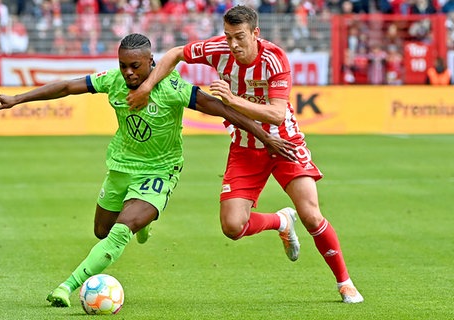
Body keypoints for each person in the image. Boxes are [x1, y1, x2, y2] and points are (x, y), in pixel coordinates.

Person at [0, 33, 297, 308]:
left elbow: (222, 109)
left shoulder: (173, 87)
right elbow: (68, 86)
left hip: (159, 172)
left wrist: (266, 136)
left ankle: (66, 286)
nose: (128, 73)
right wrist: (16, 99)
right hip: (121, 168)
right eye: (123, 65)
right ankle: (143, 223)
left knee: (120, 232)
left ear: (151, 61)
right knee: (101, 231)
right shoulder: (113, 80)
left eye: (135, 66)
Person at [127, 5, 364, 303]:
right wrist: (148, 85)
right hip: (244, 147)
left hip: (283, 143)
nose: (233, 44)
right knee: (232, 227)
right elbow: (175, 53)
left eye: (239, 37)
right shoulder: (218, 49)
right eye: (228, 36)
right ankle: (280, 222)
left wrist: (231, 99)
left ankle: (345, 282)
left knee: (311, 216)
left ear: (255, 33)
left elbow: (277, 114)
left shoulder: (274, 59)